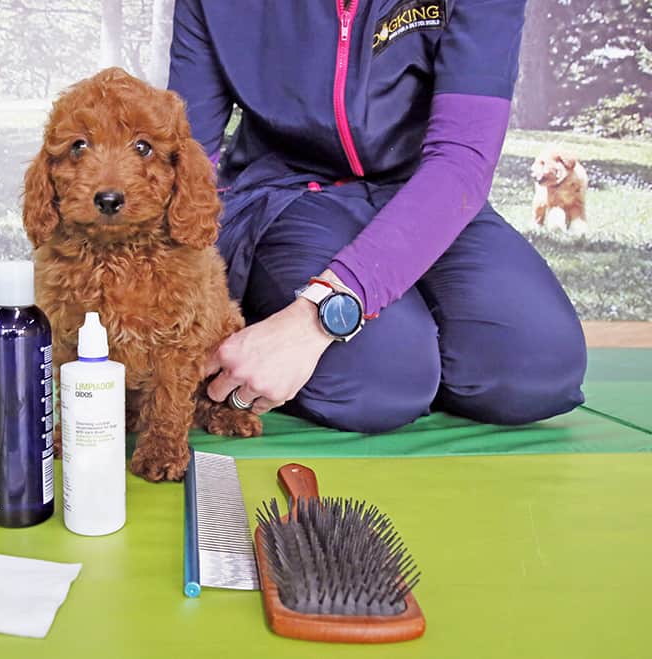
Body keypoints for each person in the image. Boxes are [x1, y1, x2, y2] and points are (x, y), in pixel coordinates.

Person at [167, 0, 587, 433]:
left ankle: (398, 341)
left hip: (427, 190)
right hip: (289, 194)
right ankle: (279, 327)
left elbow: (461, 159)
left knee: (539, 367)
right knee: (381, 381)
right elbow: (183, 154)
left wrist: (314, 318)